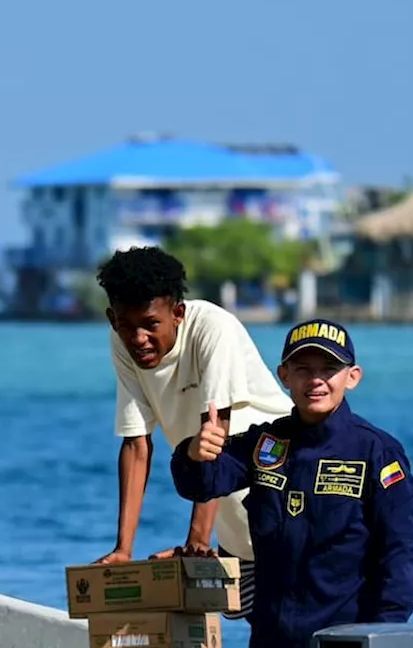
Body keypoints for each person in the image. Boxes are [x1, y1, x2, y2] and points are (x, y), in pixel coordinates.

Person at [169, 317, 413, 648]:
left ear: (352, 377)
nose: (316, 380)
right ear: (283, 375)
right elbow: (203, 482)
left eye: (329, 369)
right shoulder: (267, 443)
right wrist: (195, 452)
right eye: (303, 369)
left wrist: (384, 640)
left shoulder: (376, 452)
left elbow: (400, 553)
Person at [92, 245, 295, 627]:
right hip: (234, 529)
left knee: (297, 632)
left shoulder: (213, 328)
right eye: (124, 324)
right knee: (260, 636)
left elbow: (216, 435)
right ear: (111, 319)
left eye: (150, 324)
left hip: (285, 507)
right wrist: (123, 550)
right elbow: (136, 444)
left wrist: (197, 542)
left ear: (178, 314)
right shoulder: (123, 344)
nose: (138, 338)